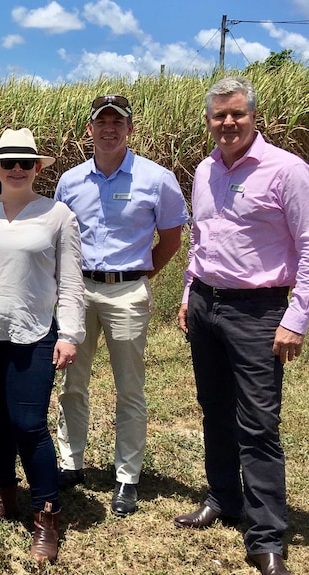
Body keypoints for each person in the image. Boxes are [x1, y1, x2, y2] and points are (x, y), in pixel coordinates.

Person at [175, 76, 309, 575]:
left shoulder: (288, 170)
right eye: (218, 115)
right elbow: (201, 240)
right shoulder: (204, 169)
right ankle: (224, 497)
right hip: (208, 305)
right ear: (208, 120)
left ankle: (267, 534)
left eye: (237, 114)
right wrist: (190, 293)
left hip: (260, 311)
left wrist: (295, 318)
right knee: (214, 409)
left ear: (255, 117)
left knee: (258, 423)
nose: (227, 123)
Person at [54, 94, 189, 516]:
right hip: (79, 291)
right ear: (89, 130)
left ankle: (126, 476)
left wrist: (142, 278)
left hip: (128, 290)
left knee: (129, 387)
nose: (109, 129)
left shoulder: (157, 178)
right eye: (101, 121)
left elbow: (170, 239)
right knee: (73, 381)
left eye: (118, 122)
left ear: (130, 128)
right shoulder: (70, 181)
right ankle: (70, 462)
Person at [0, 128, 84, 563]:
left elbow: (70, 283)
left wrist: (69, 333)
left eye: (24, 163)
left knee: (28, 423)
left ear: (36, 168)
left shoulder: (57, 215)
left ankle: (47, 513)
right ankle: (5, 496)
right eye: (7, 162)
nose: (15, 170)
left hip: (33, 332)